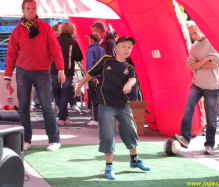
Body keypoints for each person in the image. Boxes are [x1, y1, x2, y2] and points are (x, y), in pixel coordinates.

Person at [74, 36, 151, 179]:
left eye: (130, 47)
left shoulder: (130, 67)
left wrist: (129, 83)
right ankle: (109, 166)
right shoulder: (106, 60)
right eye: (124, 46)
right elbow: (90, 73)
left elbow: (133, 79)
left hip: (124, 106)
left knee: (131, 130)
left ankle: (134, 159)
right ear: (117, 47)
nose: (127, 49)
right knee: (108, 134)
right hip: (106, 105)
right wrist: (79, 87)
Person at [4, 0, 65, 151]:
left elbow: (56, 49)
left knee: (46, 107)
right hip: (23, 72)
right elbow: (11, 54)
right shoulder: (17, 31)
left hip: (42, 72)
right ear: (23, 10)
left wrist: (61, 69)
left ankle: (54, 140)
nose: (31, 11)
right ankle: (25, 140)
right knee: (23, 108)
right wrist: (7, 75)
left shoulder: (46, 28)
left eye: (33, 8)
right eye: (28, 8)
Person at [173, 21, 219, 155]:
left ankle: (209, 144)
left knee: (211, 117)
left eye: (195, 32)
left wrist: (197, 64)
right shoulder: (194, 47)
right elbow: (191, 66)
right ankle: (185, 138)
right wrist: (204, 61)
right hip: (197, 84)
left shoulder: (214, 43)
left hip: (212, 86)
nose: (193, 35)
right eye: (191, 34)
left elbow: (213, 65)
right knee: (188, 109)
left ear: (201, 30)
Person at [51, 22, 83, 126]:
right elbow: (79, 57)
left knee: (56, 93)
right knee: (65, 93)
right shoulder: (73, 42)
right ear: (72, 30)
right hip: (68, 72)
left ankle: (63, 116)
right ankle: (63, 116)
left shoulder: (55, 40)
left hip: (55, 70)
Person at [85, 32, 106, 126]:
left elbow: (90, 64)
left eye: (89, 39)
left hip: (93, 78)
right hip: (103, 77)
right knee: (101, 99)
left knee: (94, 99)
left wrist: (92, 77)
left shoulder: (91, 50)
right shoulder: (102, 50)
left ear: (92, 40)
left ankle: (96, 119)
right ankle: (101, 118)